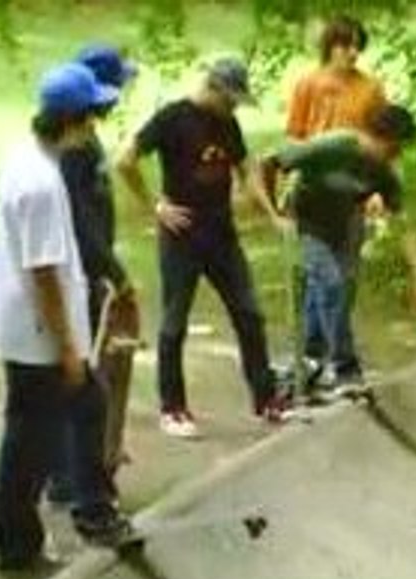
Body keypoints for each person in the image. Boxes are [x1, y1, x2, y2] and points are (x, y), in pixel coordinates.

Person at [0, 63, 136, 578]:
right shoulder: (41, 184)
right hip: (37, 334)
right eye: (91, 115)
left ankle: (77, 517)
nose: (95, 126)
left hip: (25, 327)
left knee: (65, 416)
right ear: (74, 119)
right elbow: (44, 271)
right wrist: (67, 347)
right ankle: (26, 545)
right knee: (34, 439)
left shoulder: (25, 158)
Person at [117, 56, 290, 438]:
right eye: (230, 100)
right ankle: (173, 408)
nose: (233, 108)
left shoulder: (228, 123)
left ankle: (265, 398)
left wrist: (270, 212)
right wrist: (155, 206)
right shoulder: (172, 118)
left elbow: (245, 169)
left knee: (249, 313)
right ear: (213, 88)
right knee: (174, 323)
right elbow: (125, 160)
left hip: (221, 234)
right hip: (182, 235)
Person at [262, 103, 416, 391]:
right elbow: (270, 160)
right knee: (330, 283)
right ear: (374, 136)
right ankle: (346, 368)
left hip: (347, 225)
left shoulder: (384, 172)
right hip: (310, 223)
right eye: (393, 148)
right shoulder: (333, 146)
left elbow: (404, 225)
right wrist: (272, 209)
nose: (396, 156)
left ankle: (310, 358)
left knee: (336, 293)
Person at [46, 44, 138, 507]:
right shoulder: (74, 150)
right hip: (80, 274)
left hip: (92, 272)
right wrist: (114, 272)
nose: (120, 96)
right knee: (80, 382)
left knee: (89, 378)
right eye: (117, 86)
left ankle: (85, 466)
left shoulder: (87, 139)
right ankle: (71, 479)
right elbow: (80, 220)